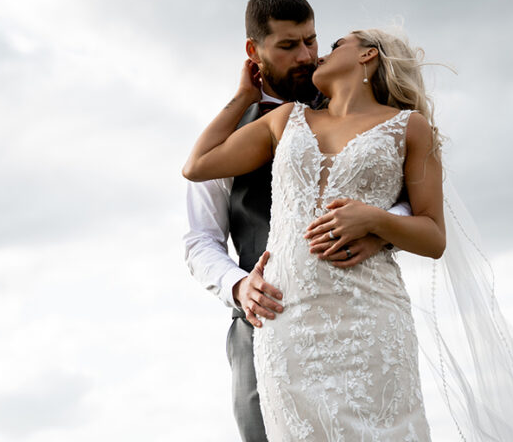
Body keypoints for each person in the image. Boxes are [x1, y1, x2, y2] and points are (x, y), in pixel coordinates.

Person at [184, 27, 447, 440]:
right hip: (287, 321)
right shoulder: (286, 119)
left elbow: (433, 235)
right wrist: (243, 98)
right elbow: (197, 166)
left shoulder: (409, 128)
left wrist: (376, 221)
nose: (317, 54)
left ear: (368, 56)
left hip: (370, 318)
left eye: (335, 44)